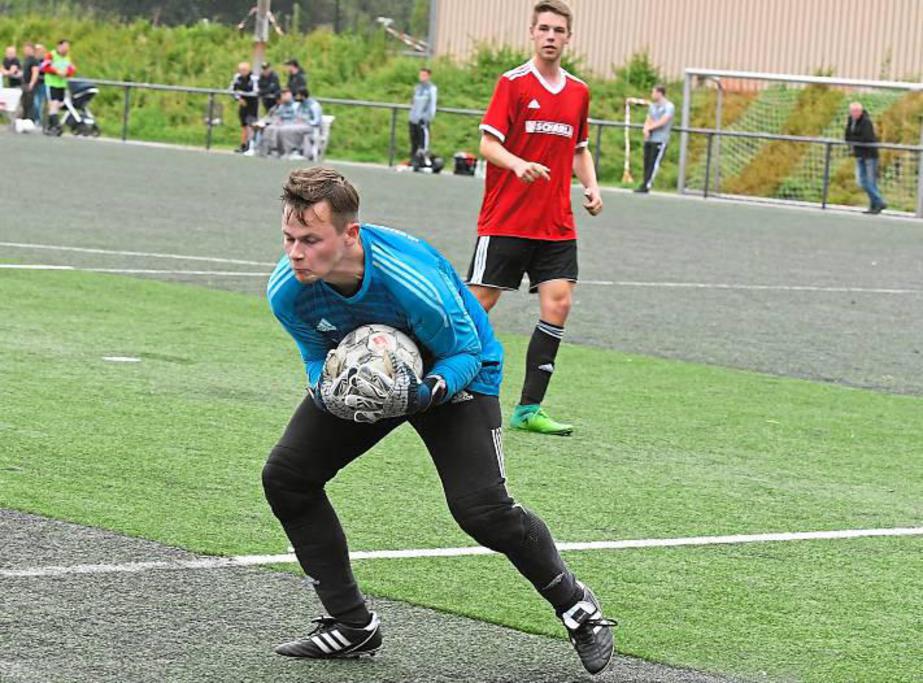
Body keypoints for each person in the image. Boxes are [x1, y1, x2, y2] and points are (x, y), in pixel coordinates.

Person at [262, 167, 615, 676]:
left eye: (311, 240)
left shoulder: (411, 282)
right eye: (289, 238)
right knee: (288, 478)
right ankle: (352, 624)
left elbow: (468, 349)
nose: (296, 253)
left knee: (482, 510)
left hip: (456, 373)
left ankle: (580, 609)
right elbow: (317, 355)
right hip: (372, 376)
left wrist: (426, 392)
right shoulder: (288, 290)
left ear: (349, 235)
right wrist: (330, 387)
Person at [466, 0, 602, 437]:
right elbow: (488, 145)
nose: (550, 36)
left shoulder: (578, 92)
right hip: (507, 219)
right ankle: (442, 381)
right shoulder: (513, 84)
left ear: (568, 38)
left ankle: (529, 408)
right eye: (543, 28)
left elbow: (579, 148)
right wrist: (517, 163)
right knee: (476, 306)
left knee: (559, 302)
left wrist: (591, 186)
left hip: (556, 223)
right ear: (532, 32)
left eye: (557, 30)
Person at [845, 102, 887, 214]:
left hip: (870, 156)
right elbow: (847, 136)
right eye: (852, 111)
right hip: (859, 155)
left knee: (870, 181)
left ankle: (877, 203)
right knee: (862, 181)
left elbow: (866, 138)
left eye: (856, 111)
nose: (854, 114)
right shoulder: (851, 121)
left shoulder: (866, 122)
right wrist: (853, 141)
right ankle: (877, 203)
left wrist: (854, 140)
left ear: (861, 111)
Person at [635, 84, 674, 193]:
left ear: (660, 93)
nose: (652, 94)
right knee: (647, 161)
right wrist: (646, 129)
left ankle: (647, 184)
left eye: (654, 92)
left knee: (654, 162)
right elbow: (649, 118)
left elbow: (664, 121)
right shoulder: (652, 106)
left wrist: (650, 128)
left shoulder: (669, 106)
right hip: (650, 139)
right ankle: (644, 182)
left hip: (660, 139)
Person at [40, 39, 75, 135]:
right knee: (53, 104)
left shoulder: (67, 57)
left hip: (62, 84)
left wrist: (66, 73)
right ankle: (56, 125)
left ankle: (49, 126)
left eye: (68, 47)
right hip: (52, 83)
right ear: (59, 47)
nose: (66, 49)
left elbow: (72, 69)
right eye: (64, 47)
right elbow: (43, 66)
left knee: (58, 105)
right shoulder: (51, 55)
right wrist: (56, 71)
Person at [408, 67, 438, 171]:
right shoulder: (417, 88)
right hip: (414, 119)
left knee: (423, 143)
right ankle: (413, 160)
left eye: (424, 75)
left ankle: (422, 161)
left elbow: (432, 105)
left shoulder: (431, 89)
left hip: (423, 120)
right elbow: (413, 103)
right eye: (421, 75)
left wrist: (427, 117)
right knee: (413, 141)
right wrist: (411, 116)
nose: (422, 77)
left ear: (428, 76)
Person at [230, 61, 259, 154]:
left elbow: (256, 91)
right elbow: (231, 90)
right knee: (244, 125)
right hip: (243, 103)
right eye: (241, 70)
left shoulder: (254, 78)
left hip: (252, 104)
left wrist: (246, 94)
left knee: (251, 125)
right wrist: (239, 98)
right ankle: (243, 145)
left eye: (244, 70)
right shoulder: (237, 77)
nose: (242, 72)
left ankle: (251, 145)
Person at [20, 42, 41, 122]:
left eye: (28, 49)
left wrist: (32, 83)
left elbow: (35, 72)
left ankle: (30, 119)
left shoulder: (34, 60)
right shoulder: (26, 60)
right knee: (24, 103)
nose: (26, 51)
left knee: (30, 103)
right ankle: (24, 119)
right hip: (24, 83)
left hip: (29, 84)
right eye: (25, 49)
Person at [31, 43, 47, 126]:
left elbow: (45, 69)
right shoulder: (32, 60)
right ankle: (35, 119)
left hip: (42, 83)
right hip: (34, 84)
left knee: (39, 103)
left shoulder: (45, 61)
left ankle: (38, 120)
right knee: (34, 102)